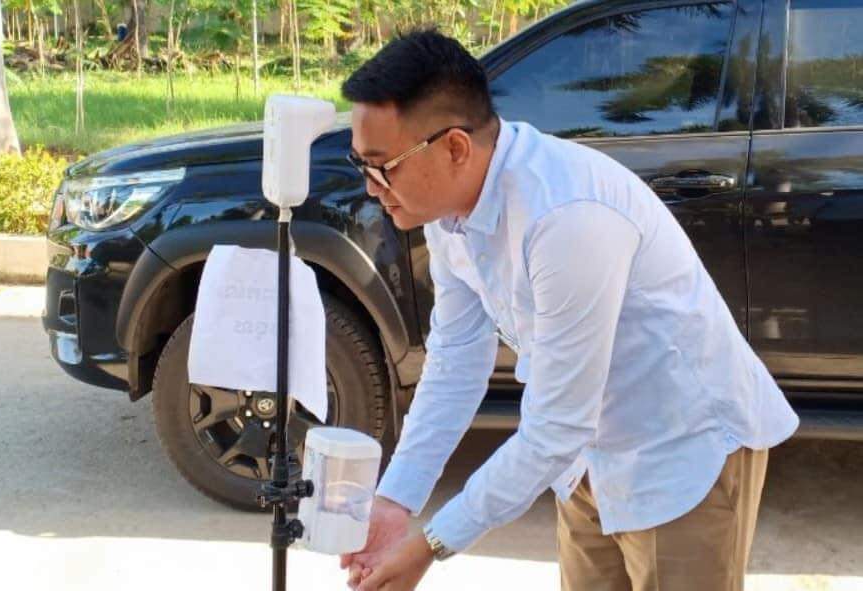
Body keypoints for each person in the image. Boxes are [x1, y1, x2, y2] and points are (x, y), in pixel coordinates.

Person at [339, 29, 799, 591]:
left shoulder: (566, 216)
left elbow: (556, 424)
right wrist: (395, 500)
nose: (371, 187)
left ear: (455, 148)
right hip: (583, 456)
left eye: (382, 166)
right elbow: (456, 358)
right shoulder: (446, 211)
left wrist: (433, 543)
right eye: (360, 164)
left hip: (679, 451)